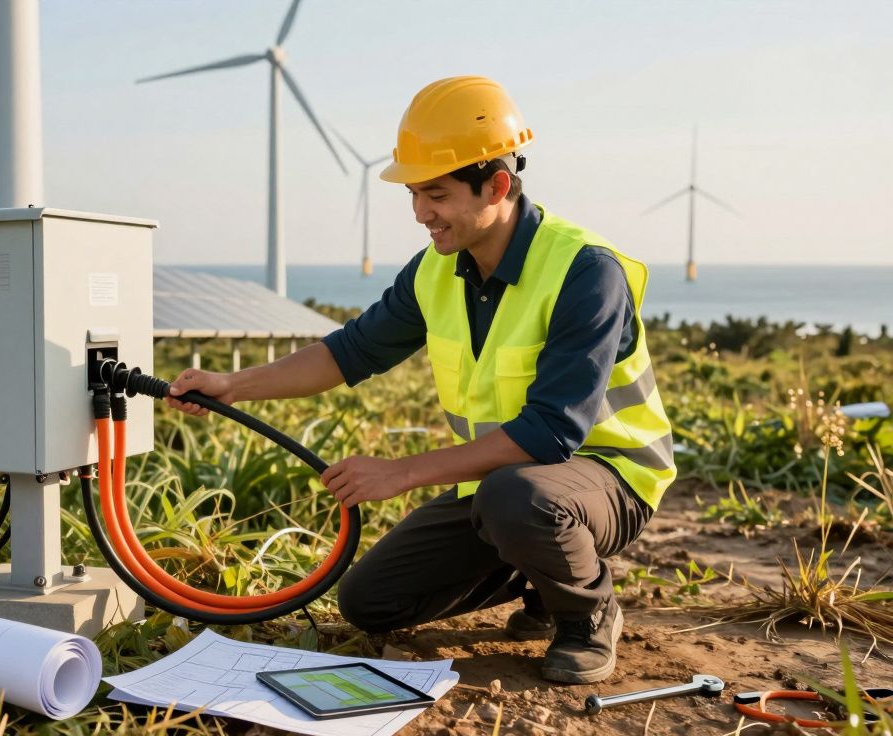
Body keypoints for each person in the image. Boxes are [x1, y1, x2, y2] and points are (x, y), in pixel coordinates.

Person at [165, 76, 675, 684]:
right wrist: (234, 384)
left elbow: (551, 432)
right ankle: (545, 578)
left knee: (520, 498)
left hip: (608, 477)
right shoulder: (437, 271)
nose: (419, 214)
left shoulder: (586, 271)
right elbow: (349, 351)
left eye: (435, 194)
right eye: (413, 194)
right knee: (371, 604)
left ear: (499, 185)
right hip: (501, 482)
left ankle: (587, 615)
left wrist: (401, 473)